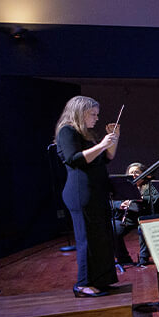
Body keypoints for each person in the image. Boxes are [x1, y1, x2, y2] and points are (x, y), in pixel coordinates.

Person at [54, 96, 120, 297]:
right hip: (80, 192)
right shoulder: (67, 131)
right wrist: (101, 144)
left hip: (96, 191)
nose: (96, 118)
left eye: (97, 114)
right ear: (79, 112)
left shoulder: (87, 134)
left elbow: (107, 158)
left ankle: (101, 280)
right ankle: (83, 284)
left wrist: (114, 139)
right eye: (93, 114)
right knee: (87, 239)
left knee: (101, 237)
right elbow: (74, 159)